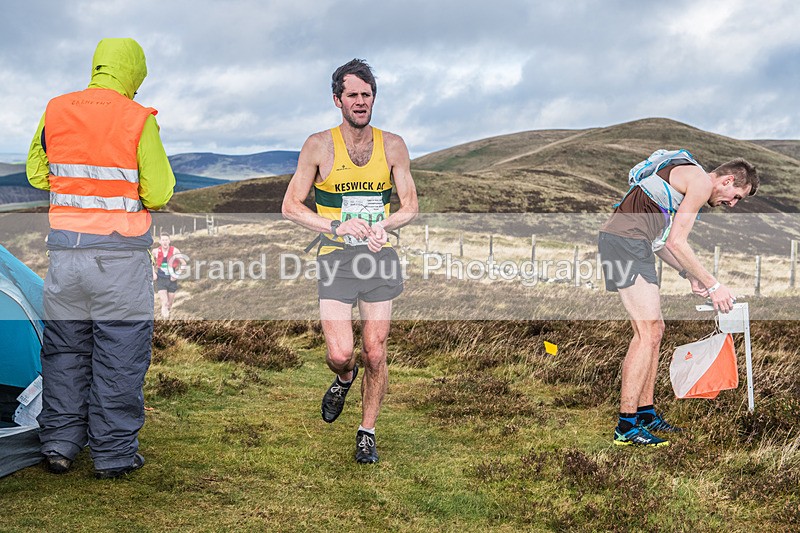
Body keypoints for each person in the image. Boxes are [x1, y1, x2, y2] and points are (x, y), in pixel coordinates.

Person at [26, 38, 175, 477]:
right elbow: (160, 191)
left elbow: (37, 173)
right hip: (118, 261)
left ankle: (59, 444)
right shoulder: (137, 119)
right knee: (120, 355)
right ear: (133, 71)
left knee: (64, 351)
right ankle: (113, 455)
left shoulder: (55, 110)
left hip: (65, 257)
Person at [282, 59, 418, 463]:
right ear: (337, 100)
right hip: (336, 259)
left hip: (378, 257)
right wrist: (336, 226)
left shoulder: (393, 145)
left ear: (374, 98)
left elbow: (410, 205)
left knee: (375, 351)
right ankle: (344, 377)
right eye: (353, 95)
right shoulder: (318, 146)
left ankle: (366, 432)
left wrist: (385, 226)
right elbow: (290, 206)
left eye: (367, 94)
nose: (360, 102)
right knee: (342, 353)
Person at [598, 150, 758, 447]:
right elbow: (676, 241)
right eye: (736, 196)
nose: (732, 204)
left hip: (632, 242)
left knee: (654, 330)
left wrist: (689, 275)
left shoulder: (683, 180)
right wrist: (713, 285)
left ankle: (645, 414)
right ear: (727, 180)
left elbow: (661, 243)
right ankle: (626, 427)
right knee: (647, 332)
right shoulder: (700, 182)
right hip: (626, 242)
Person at [152, 233, 184, 319]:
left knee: (169, 304)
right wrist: (153, 273)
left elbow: (183, 263)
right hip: (161, 278)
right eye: (163, 240)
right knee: (165, 303)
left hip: (171, 279)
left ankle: (166, 317)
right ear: (160, 241)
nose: (165, 242)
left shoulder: (175, 251)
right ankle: (164, 321)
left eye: (166, 240)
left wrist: (176, 274)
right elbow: (150, 262)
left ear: (169, 241)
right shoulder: (155, 251)